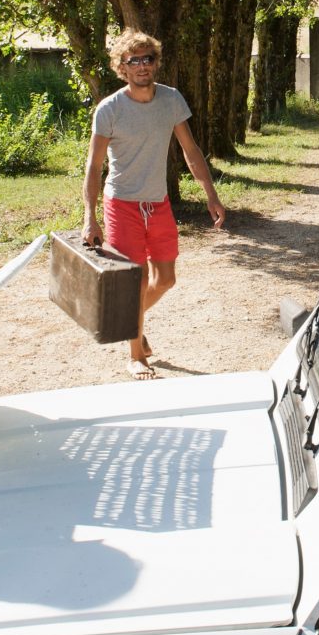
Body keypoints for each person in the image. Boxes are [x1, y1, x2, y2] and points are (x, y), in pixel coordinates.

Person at [81, 31, 226, 380]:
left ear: (156, 62)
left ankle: (133, 322)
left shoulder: (171, 100)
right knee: (138, 279)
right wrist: (90, 216)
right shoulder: (110, 109)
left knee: (165, 279)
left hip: (158, 203)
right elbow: (94, 166)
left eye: (148, 58)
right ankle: (136, 356)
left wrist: (211, 194)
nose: (142, 66)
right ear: (122, 67)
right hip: (122, 204)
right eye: (134, 61)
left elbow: (190, 151)